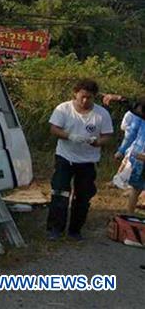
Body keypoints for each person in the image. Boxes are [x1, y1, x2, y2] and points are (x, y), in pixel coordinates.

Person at [46, 79, 113, 241]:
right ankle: (55, 228)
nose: (85, 101)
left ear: (94, 97)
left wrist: (97, 142)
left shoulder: (101, 114)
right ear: (75, 94)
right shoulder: (63, 109)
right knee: (60, 192)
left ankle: (75, 230)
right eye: (82, 97)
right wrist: (69, 136)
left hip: (88, 161)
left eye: (89, 98)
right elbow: (54, 128)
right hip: (65, 156)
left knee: (83, 196)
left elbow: (107, 136)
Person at [114, 98, 145, 215]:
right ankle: (130, 216)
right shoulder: (139, 118)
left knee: (136, 189)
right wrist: (121, 150)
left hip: (140, 155)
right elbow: (131, 134)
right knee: (136, 188)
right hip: (140, 157)